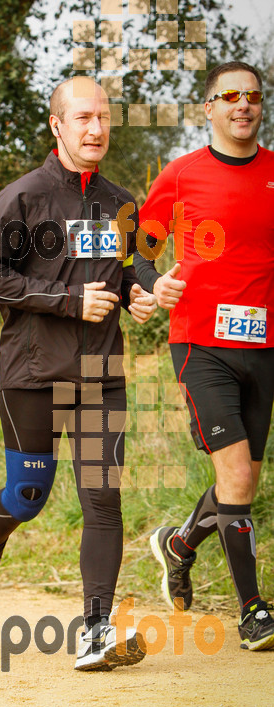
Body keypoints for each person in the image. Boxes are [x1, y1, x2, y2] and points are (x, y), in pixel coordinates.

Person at [0, 76, 156, 671]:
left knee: (102, 499)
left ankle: (94, 629)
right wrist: (68, 301)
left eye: (103, 118)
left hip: (101, 373)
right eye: (82, 118)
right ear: (57, 126)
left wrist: (141, 292)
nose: (95, 129)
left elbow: (135, 264)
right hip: (33, 374)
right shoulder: (23, 196)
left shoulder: (122, 201)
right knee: (28, 495)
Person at [134, 61, 274, 651]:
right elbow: (139, 243)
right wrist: (150, 284)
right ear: (209, 108)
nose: (244, 105)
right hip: (200, 343)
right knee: (238, 475)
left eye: (255, 96)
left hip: (264, 346)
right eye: (231, 96)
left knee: (242, 481)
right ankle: (254, 612)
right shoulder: (183, 174)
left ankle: (180, 544)